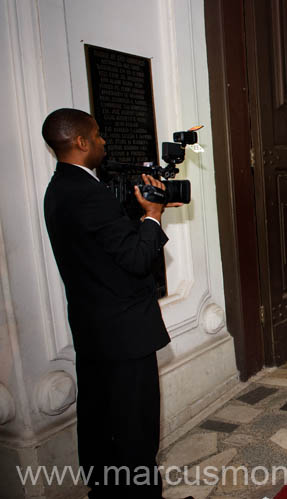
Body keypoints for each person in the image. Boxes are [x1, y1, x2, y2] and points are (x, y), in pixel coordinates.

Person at [42, 108, 178, 498]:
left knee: (103, 429)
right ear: (81, 142)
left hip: (94, 330)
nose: (103, 142)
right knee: (134, 434)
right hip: (123, 335)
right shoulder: (88, 194)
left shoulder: (61, 189)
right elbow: (136, 259)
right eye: (98, 135)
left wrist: (140, 214)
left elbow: (102, 246)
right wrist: (153, 217)